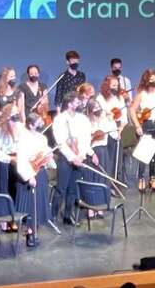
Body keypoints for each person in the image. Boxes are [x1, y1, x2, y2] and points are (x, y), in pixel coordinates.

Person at [52, 92, 98, 224]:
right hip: (65, 159)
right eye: (77, 102)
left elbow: (86, 139)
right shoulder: (59, 119)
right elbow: (60, 142)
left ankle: (67, 215)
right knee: (61, 188)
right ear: (69, 103)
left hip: (80, 157)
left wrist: (83, 155)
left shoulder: (83, 119)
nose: (80, 104)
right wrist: (72, 157)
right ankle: (53, 216)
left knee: (73, 189)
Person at [15, 113, 56, 246]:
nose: (41, 123)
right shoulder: (23, 139)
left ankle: (35, 230)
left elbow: (45, 152)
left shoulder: (42, 138)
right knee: (30, 206)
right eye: (38, 122)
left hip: (41, 172)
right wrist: (29, 176)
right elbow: (21, 160)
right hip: (30, 173)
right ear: (31, 125)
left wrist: (49, 156)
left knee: (38, 204)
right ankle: (29, 232)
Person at [129, 69, 155, 191]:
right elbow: (132, 110)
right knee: (144, 153)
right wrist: (137, 126)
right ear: (146, 80)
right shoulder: (141, 93)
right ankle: (141, 178)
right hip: (146, 124)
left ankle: (152, 178)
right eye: (151, 79)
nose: (154, 81)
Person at [0, 104, 22, 224]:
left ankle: (14, 217)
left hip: (18, 159)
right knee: (4, 189)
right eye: (13, 113)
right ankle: (4, 219)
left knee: (16, 188)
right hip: (5, 160)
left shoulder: (20, 127)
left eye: (17, 113)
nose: (16, 116)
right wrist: (9, 158)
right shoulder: (1, 131)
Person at [98, 76, 129, 183]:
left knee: (117, 157)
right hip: (105, 130)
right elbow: (100, 115)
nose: (116, 88)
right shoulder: (100, 98)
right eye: (113, 85)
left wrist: (120, 129)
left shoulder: (120, 98)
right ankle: (106, 181)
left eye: (117, 85)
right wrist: (108, 115)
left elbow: (124, 116)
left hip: (117, 129)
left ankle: (115, 181)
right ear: (107, 86)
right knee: (107, 157)